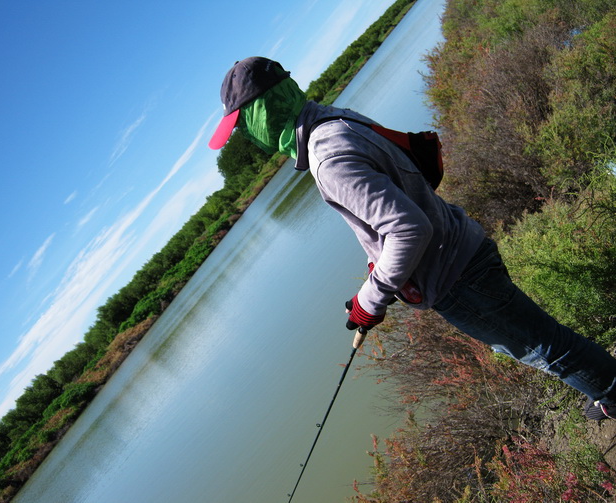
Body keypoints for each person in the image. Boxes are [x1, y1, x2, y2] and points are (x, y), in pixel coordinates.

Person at [208, 56, 616, 421]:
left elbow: (407, 229)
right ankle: (605, 389)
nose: (245, 135)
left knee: (542, 347)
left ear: (261, 113)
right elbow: (398, 208)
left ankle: (611, 393)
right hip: (463, 247)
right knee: (536, 339)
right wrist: (377, 270)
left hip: (456, 277)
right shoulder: (334, 119)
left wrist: (369, 303)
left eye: (243, 125)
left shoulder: (326, 156)